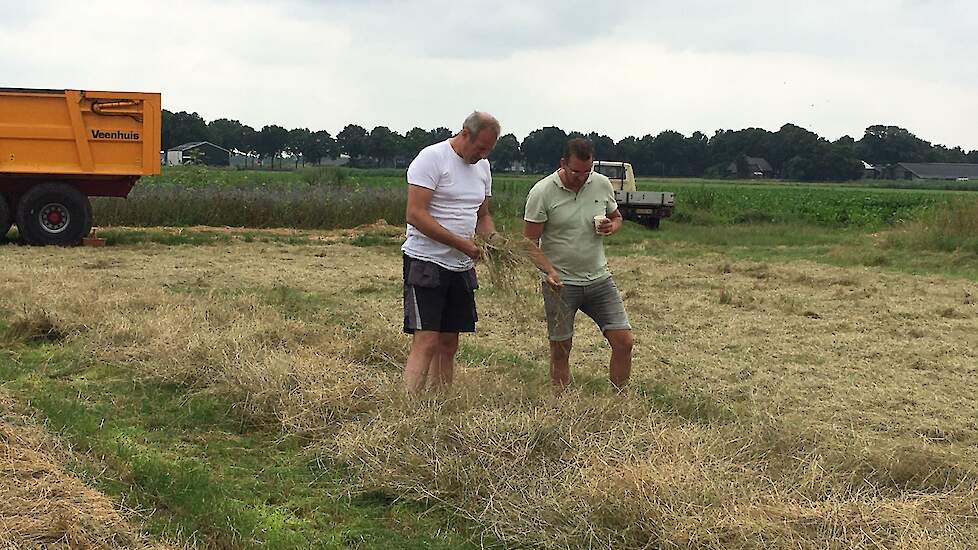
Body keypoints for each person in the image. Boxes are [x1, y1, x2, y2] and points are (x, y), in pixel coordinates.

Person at [522, 138, 634, 390]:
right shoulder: (542, 192)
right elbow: (528, 241)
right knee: (561, 349)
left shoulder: (601, 184)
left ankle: (619, 401)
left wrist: (611, 226)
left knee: (624, 341)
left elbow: (617, 217)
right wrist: (549, 271)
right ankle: (561, 405)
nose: (582, 178)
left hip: (599, 279)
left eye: (587, 171)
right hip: (561, 284)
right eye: (576, 172)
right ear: (563, 163)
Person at [401, 111, 500, 393]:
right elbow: (415, 214)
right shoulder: (432, 159)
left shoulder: (483, 167)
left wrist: (493, 242)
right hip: (426, 262)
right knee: (427, 340)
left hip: (461, 266)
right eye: (480, 147)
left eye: (489, 149)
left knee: (449, 343)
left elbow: (482, 215)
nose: (482, 154)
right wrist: (461, 243)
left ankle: (440, 402)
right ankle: (409, 407)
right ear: (465, 133)